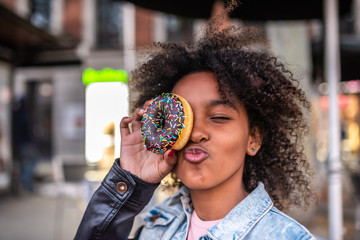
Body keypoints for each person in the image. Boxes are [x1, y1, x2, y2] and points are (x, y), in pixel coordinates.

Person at [75, 21, 316, 239]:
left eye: (219, 117)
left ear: (253, 138)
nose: (195, 132)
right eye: (178, 120)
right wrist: (130, 179)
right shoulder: (153, 229)